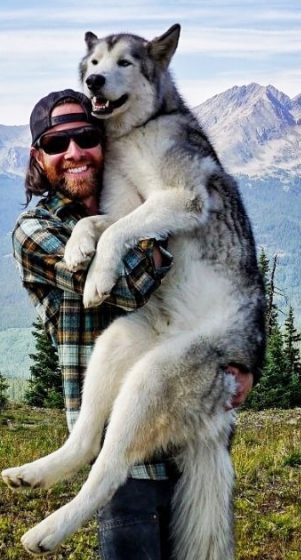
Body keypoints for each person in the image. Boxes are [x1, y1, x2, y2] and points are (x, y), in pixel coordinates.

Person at [14, 90, 254, 559]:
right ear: (38, 157)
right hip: (126, 465)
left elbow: (232, 275)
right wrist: (148, 219)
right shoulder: (37, 230)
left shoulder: (123, 199)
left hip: (186, 424)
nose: (75, 152)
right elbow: (126, 287)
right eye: (57, 143)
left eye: (86, 137)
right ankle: (76, 454)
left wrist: (243, 362)